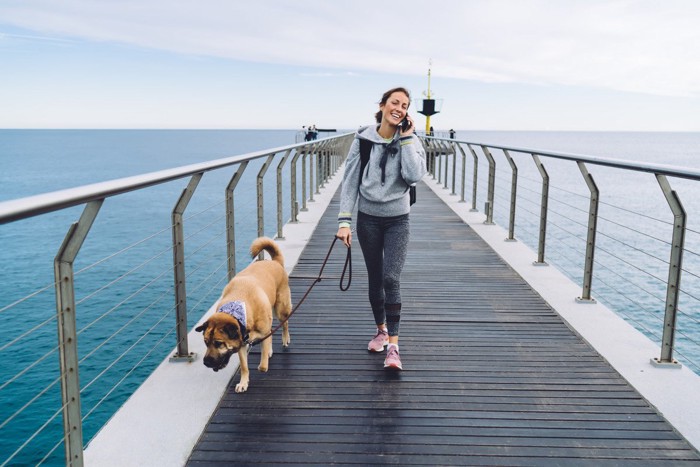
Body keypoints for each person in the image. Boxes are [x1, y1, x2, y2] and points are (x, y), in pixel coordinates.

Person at [336, 87, 427, 370]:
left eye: (405, 104)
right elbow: (350, 180)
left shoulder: (411, 139)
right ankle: (381, 330)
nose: (398, 107)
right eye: (394, 102)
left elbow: (414, 176)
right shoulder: (362, 139)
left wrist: (407, 139)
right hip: (368, 219)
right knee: (375, 277)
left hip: (399, 219)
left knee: (391, 278)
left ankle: (394, 347)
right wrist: (344, 220)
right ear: (383, 105)